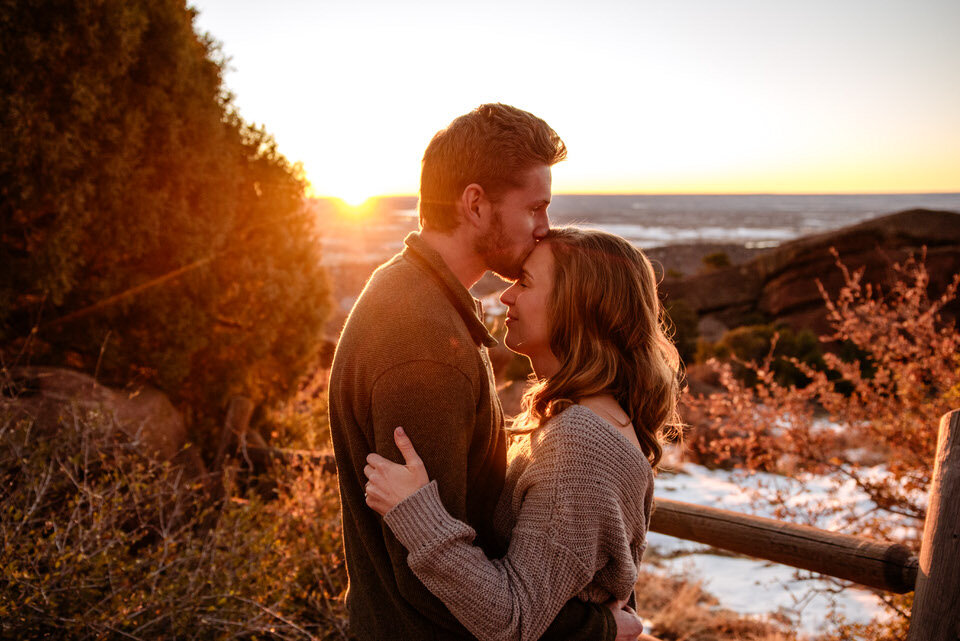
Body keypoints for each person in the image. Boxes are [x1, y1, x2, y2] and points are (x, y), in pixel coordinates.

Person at [328, 105, 645, 640]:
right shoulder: (422, 342)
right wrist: (595, 628)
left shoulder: (415, 297)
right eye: (536, 208)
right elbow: (429, 585)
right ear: (475, 204)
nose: (544, 228)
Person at [363, 227, 681, 641]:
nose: (506, 296)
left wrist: (416, 514)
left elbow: (513, 620)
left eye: (525, 283)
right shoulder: (592, 420)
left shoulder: (582, 444)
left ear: (578, 306)